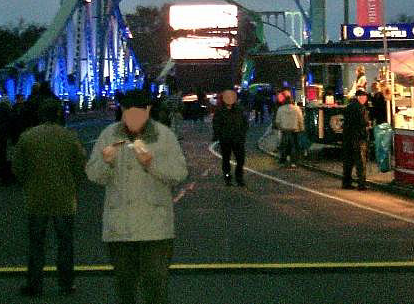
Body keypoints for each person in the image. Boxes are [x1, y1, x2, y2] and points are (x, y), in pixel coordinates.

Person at [86, 89, 188, 304]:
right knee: (125, 288)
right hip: (120, 228)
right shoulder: (109, 135)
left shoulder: (163, 135)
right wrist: (107, 163)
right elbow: (93, 175)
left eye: (139, 112)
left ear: (148, 110)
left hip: (155, 228)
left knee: (155, 287)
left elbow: (179, 173)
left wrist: (151, 164)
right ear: (122, 110)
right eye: (128, 111)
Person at [13, 99, 86, 297]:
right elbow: (80, 167)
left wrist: (28, 183)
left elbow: (17, 167)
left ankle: (34, 283)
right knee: (65, 242)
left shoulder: (28, 137)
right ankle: (66, 283)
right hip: (64, 198)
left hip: (36, 197)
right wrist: (72, 184)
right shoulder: (70, 138)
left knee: (36, 244)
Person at [212, 89, 248, 186]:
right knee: (226, 159)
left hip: (237, 139)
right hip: (226, 139)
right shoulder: (220, 111)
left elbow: (245, 123)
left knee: (240, 160)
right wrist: (218, 135)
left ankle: (239, 177)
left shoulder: (239, 109)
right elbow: (216, 124)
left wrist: (242, 134)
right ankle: (227, 177)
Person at [341, 90, 370, 190]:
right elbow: (363, 122)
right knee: (360, 161)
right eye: (364, 97)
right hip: (358, 137)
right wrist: (367, 125)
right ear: (359, 97)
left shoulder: (349, 107)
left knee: (348, 161)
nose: (365, 99)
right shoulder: (361, 108)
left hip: (348, 137)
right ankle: (361, 184)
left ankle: (346, 182)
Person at [274, 91, 305, 168]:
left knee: (284, 146)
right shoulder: (297, 109)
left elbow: (277, 121)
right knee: (294, 146)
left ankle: (283, 161)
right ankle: (293, 162)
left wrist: (280, 128)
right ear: (292, 101)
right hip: (295, 130)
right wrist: (301, 129)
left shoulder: (280, 109)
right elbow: (300, 120)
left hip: (285, 130)